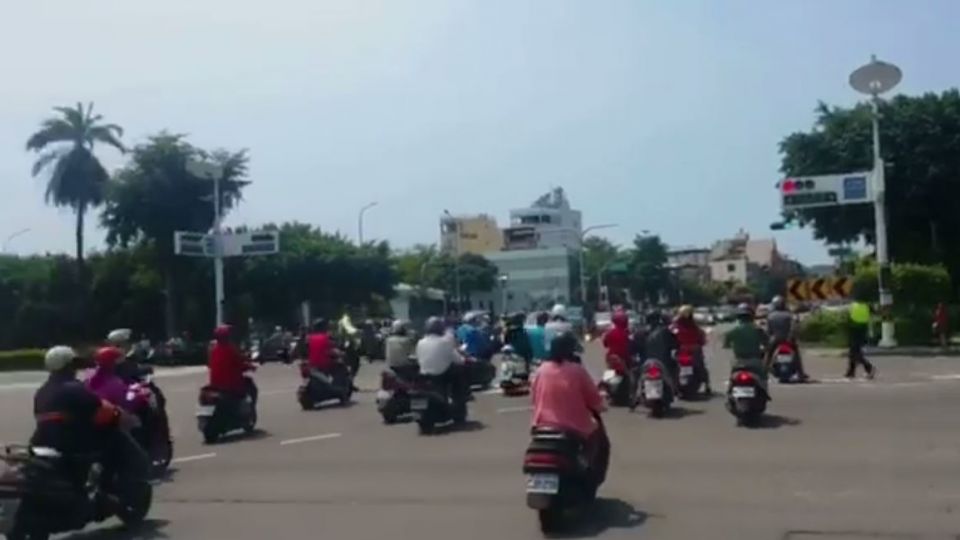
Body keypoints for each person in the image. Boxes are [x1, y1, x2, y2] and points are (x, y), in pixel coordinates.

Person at [32, 346, 148, 497]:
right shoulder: (75, 388)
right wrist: (119, 415)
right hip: (74, 444)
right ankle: (110, 487)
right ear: (69, 366)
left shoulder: (42, 392)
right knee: (115, 439)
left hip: (44, 441)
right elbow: (102, 411)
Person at [531, 331, 609, 486]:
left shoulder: (541, 370)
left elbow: (534, 396)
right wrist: (601, 406)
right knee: (599, 440)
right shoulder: (577, 371)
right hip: (572, 427)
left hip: (541, 426)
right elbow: (594, 399)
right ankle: (588, 473)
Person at [417, 316, 470, 402]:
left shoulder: (420, 342)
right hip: (441, 375)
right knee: (459, 370)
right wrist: (463, 359)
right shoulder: (445, 342)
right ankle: (459, 397)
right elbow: (458, 360)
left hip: (425, 374)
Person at [723, 303, 771, 394]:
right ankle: (764, 392)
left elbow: (726, 345)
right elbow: (766, 343)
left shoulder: (733, 330)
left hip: (738, 361)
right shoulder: (758, 329)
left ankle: (730, 392)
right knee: (763, 376)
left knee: (732, 377)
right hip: (754, 361)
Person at [208, 324, 258, 406]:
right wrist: (251, 367)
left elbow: (211, 365)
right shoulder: (229, 350)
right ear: (226, 337)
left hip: (215, 385)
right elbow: (240, 364)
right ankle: (252, 408)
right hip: (232, 385)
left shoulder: (213, 351)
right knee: (251, 387)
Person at [671, 305, 713, 394]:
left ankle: (707, 385)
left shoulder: (677, 326)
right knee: (701, 366)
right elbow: (701, 339)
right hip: (690, 350)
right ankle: (707, 385)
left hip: (683, 350)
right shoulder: (692, 326)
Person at [766, 295, 809, 381]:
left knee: (768, 355)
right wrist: (790, 337)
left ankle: (764, 372)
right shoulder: (789, 315)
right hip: (788, 339)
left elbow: (769, 331)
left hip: (775, 339)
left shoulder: (770, 316)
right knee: (796, 355)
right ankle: (800, 374)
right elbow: (793, 328)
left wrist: (770, 337)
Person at [644, 310, 680, 389]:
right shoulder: (664, 330)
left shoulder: (641, 332)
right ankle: (675, 387)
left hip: (647, 362)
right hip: (663, 362)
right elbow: (674, 343)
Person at [846, 299, 876, 379]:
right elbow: (873, 313)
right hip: (862, 329)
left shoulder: (853, 305)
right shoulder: (867, 305)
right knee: (853, 351)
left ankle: (868, 367)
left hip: (854, 330)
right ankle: (851, 371)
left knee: (855, 352)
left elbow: (849, 317)